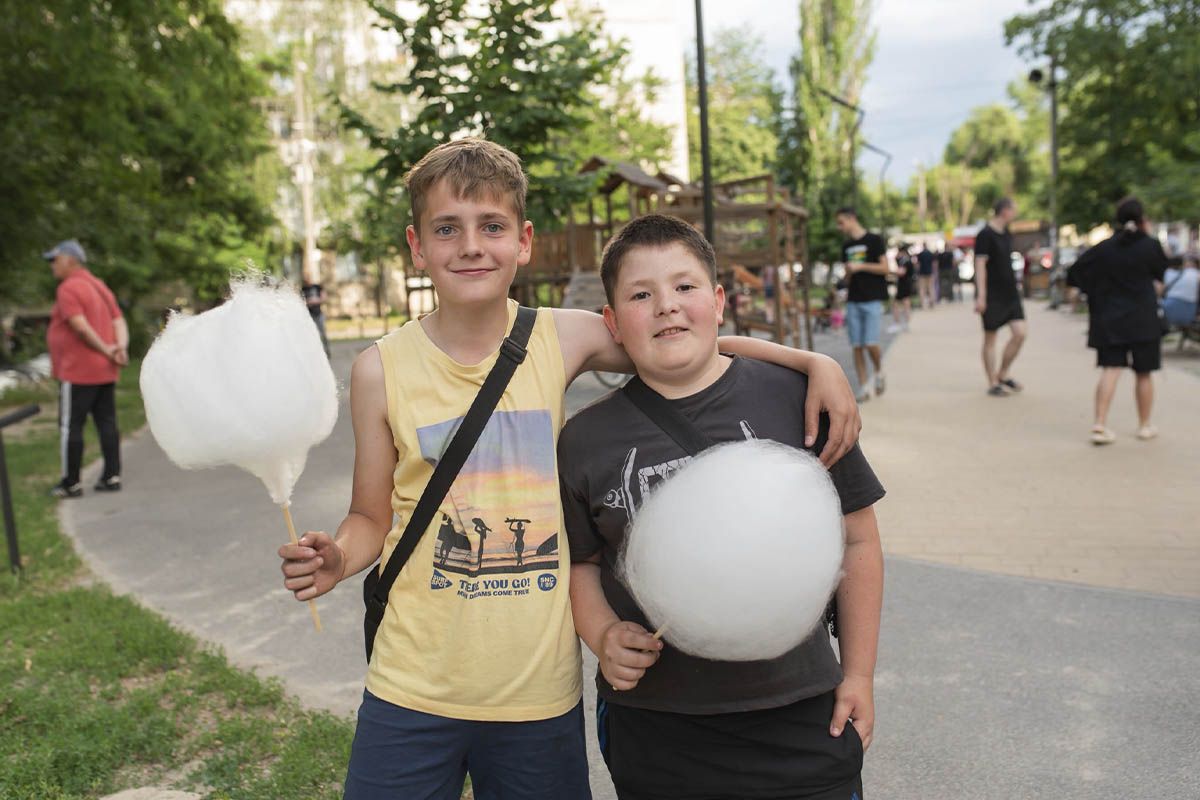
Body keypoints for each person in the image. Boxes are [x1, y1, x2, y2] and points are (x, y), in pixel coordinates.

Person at [274, 138, 863, 799]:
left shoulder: (561, 336)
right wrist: (338, 557)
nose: (471, 246)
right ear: (417, 246)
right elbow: (369, 516)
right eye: (447, 229)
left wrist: (813, 363)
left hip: (536, 694)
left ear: (523, 240)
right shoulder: (377, 370)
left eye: (491, 226)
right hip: (412, 682)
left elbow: (680, 338)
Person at [559, 214, 885, 800]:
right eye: (640, 295)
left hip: (801, 713)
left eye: (684, 287)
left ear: (717, 301)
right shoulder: (585, 440)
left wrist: (858, 672)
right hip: (660, 729)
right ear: (612, 322)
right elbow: (580, 562)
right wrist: (603, 634)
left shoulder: (798, 398)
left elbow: (858, 539)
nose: (666, 305)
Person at [1067, 196, 1168, 445]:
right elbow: (1160, 278)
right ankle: (1144, 425)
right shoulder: (1150, 245)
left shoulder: (1104, 248)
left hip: (1109, 318)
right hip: (1143, 318)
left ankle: (1099, 424)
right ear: (1142, 218)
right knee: (1143, 373)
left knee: (1110, 369)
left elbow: (1075, 272)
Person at [44, 239, 128, 498]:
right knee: (107, 422)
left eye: (55, 260)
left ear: (70, 260)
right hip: (105, 370)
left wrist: (107, 349)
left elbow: (80, 327)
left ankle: (71, 483)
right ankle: (111, 476)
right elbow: (119, 320)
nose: (52, 266)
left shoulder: (69, 288)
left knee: (71, 426)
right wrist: (120, 348)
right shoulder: (98, 285)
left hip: (78, 371)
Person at [973, 198, 1027, 396]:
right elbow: (980, 265)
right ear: (1004, 211)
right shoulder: (985, 235)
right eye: (1013, 210)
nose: (1015, 214)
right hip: (992, 294)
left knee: (1020, 333)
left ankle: (1003, 373)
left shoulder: (1007, 233)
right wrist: (981, 296)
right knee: (990, 338)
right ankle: (992, 382)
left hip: (1010, 293)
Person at [835, 207, 889, 402]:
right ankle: (864, 387)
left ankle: (879, 371)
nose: (839, 227)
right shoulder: (846, 246)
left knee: (871, 343)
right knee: (857, 346)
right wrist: (848, 274)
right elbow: (848, 276)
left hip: (872, 298)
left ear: (852, 218)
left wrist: (861, 266)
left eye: (841, 222)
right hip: (853, 300)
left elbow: (885, 268)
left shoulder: (874, 240)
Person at [1162, 253, 1199, 326]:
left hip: (1169, 308)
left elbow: (1160, 290)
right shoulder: (1195, 273)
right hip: (1189, 311)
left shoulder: (1168, 272)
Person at [300, 280, 331, 357]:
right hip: (309, 316)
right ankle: (315, 353)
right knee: (311, 335)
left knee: (323, 333)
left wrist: (316, 300)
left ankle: (327, 350)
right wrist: (309, 301)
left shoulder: (317, 287)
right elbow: (301, 301)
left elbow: (324, 298)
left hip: (318, 314)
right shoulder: (303, 289)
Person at [889, 244, 914, 332]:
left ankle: (897, 323)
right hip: (906, 284)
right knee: (906, 303)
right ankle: (906, 322)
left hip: (904, 284)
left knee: (896, 303)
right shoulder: (906, 260)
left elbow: (902, 272)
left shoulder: (905, 261)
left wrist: (890, 271)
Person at [916, 243, 936, 308]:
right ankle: (932, 302)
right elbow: (933, 264)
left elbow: (918, 265)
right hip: (930, 272)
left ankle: (922, 303)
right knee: (931, 288)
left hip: (922, 273)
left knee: (922, 288)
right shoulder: (930, 254)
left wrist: (917, 272)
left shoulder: (920, 254)